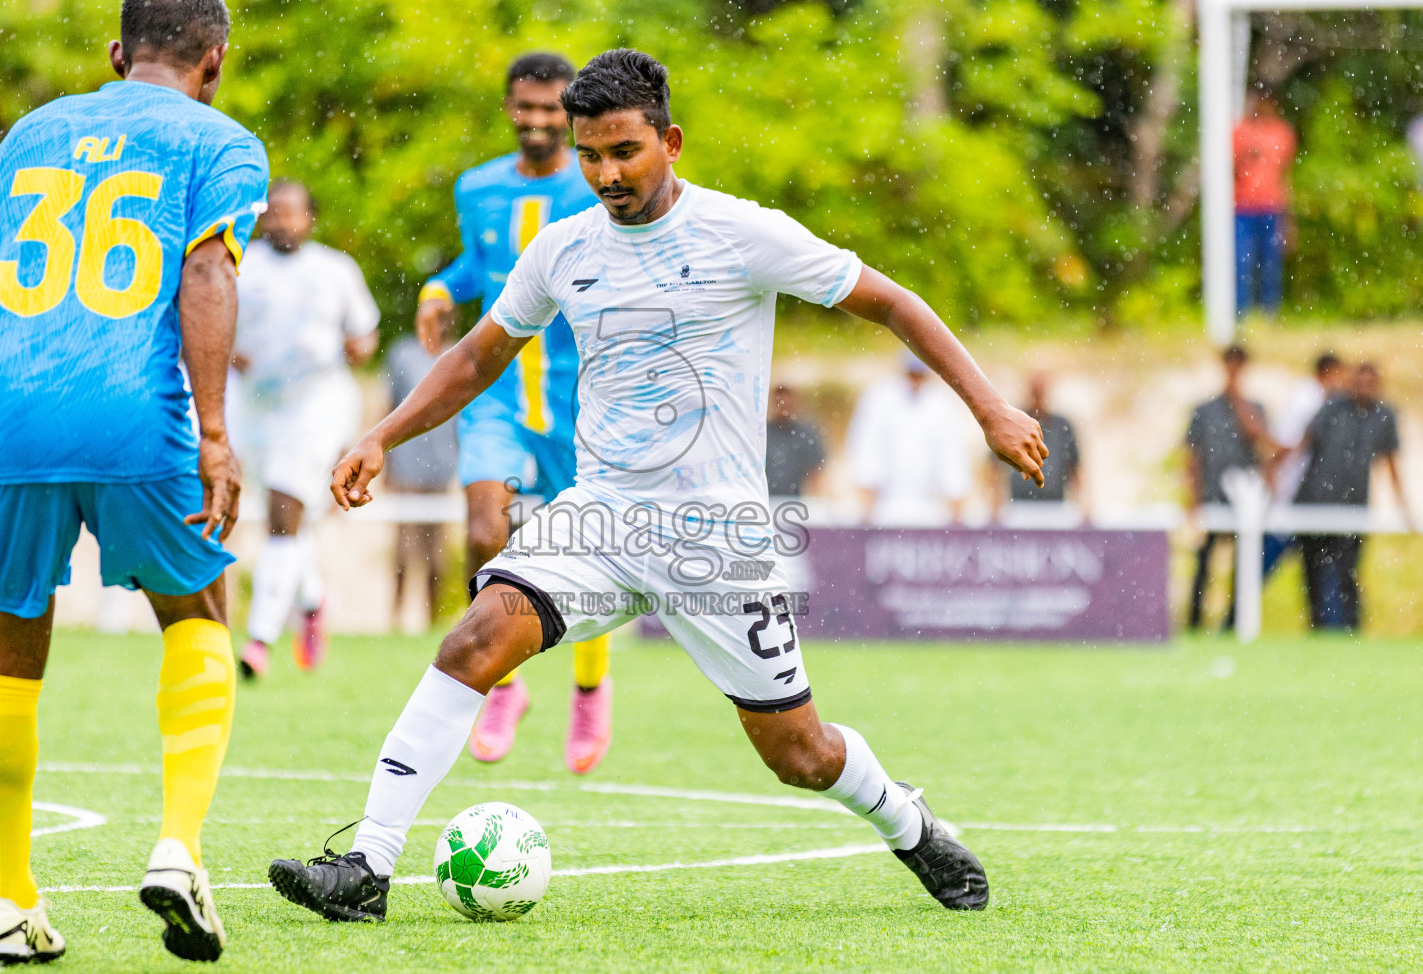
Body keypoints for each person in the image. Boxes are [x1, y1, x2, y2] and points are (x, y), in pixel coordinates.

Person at [268, 48, 1048, 923]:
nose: (606, 174)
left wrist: (990, 409)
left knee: (798, 754)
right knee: (470, 644)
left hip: (720, 539)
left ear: (669, 141)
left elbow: (894, 303)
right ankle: (368, 867)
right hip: (600, 520)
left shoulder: (742, 232)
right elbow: (481, 353)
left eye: (624, 153)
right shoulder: (561, 249)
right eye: (590, 155)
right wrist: (381, 433)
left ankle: (905, 820)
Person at [0, 0, 267, 963]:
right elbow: (206, 271)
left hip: (2, 418)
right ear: (214, 63)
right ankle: (177, 847)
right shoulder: (220, 139)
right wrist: (214, 432)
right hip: (132, 413)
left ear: (117, 55)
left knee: (7, 647)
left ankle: (7, 899)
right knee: (197, 615)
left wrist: (16, 354)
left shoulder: (35, 131)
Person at [414, 51, 612, 774]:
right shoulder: (479, 188)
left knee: (589, 550)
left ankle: (590, 688)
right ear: (508, 108)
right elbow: (480, 267)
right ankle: (504, 682)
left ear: (571, 112)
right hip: (496, 392)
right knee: (482, 527)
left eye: (550, 108)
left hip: (575, 395)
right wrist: (440, 287)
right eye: (524, 107)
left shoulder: (594, 189)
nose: (537, 121)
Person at [231, 180, 379, 679]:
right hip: (255, 406)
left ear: (310, 219)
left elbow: (365, 335)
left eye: (291, 214)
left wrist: (358, 347)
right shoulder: (241, 264)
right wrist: (230, 353)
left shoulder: (335, 270)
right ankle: (312, 601)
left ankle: (258, 640)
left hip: (316, 404)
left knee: (281, 512)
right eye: (272, 214)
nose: (281, 222)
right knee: (284, 520)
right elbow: (212, 323)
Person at [1295, 362, 1410, 632]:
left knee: (1347, 571)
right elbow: (1304, 445)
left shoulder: (1383, 415)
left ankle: (1350, 628)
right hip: (1316, 503)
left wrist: (1403, 506)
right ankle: (1319, 627)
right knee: (1313, 570)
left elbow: (1390, 462)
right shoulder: (1333, 408)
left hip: (1353, 506)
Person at [1184, 346, 1267, 633]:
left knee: (1242, 568)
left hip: (1243, 501)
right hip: (1211, 497)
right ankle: (1195, 624)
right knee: (1203, 565)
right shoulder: (1204, 410)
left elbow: (1260, 439)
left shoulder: (1255, 407)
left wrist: (1237, 401)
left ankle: (1232, 625)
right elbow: (1192, 458)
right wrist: (1192, 502)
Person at [383, 332, 459, 630]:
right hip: (406, 466)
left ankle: (433, 620)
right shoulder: (402, 353)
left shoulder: (457, 352)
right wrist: (387, 460)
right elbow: (389, 407)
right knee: (403, 550)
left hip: (443, 468)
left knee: (437, 554)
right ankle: (396, 619)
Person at [846, 351, 973, 524]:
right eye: (912, 374)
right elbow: (867, 449)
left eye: (919, 374)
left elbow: (951, 457)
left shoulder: (942, 404)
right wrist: (867, 506)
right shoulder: (880, 397)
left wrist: (955, 509)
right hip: (883, 508)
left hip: (931, 510)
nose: (915, 380)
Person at [1262, 352, 1345, 578]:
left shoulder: (1316, 399)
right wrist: (1272, 474)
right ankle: (1237, 612)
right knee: (1266, 558)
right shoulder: (1309, 399)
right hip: (1291, 489)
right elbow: (1287, 444)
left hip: (1303, 490)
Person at [1232, 89, 1297, 315]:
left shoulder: (1282, 133)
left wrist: (1289, 218)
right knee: (1242, 263)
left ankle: (1269, 312)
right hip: (1242, 207)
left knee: (1271, 264)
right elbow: (1228, 168)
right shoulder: (1240, 131)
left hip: (1272, 207)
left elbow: (1286, 176)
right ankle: (1241, 312)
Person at [990, 370, 1084, 524]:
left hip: (1056, 509)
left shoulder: (1063, 425)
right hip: (1018, 509)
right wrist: (995, 503)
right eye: (1035, 391)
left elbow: (1075, 467)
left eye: (1040, 391)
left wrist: (1082, 505)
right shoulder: (1013, 422)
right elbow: (993, 465)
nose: (1037, 397)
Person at [764, 384, 826, 498]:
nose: (783, 407)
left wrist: (816, 497)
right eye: (780, 403)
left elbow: (816, 469)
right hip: (766, 498)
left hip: (797, 499)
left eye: (786, 402)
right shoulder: (763, 432)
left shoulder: (805, 433)